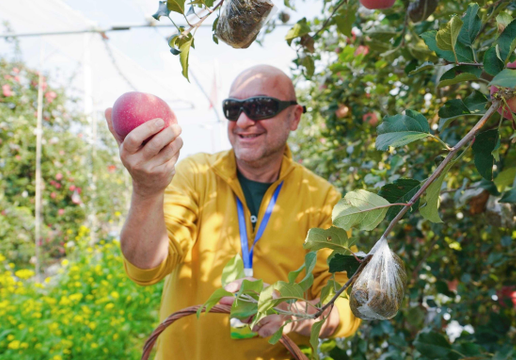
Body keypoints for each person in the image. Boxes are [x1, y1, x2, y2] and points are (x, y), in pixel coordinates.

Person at [105, 65, 360, 359]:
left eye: (260, 107)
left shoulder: (322, 198)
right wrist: (147, 190)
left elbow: (344, 301)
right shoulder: (195, 174)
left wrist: (296, 314)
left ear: (294, 117)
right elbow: (147, 266)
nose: (242, 120)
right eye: (233, 108)